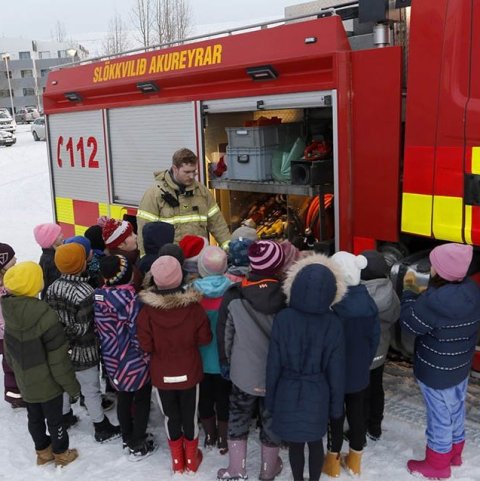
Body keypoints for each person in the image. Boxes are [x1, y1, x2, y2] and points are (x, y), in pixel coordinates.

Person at [400, 243, 480, 480]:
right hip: (460, 365)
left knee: (439, 418)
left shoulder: (433, 302)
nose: (431, 268)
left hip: (435, 370)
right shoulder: (473, 290)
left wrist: (409, 293)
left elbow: (409, 324)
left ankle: (437, 465)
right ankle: (455, 453)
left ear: (442, 271)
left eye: (434, 265)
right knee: (455, 408)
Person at [266, 254, 347, 481]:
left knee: (295, 443)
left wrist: (270, 400)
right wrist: (336, 408)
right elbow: (337, 371)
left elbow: (273, 363)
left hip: (287, 390)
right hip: (317, 392)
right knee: (315, 442)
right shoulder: (333, 323)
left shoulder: (283, 318)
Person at [217, 240, 286, 481]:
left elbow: (225, 334)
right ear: (278, 266)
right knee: (271, 420)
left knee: (238, 416)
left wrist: (225, 363)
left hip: (243, 374)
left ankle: (237, 469)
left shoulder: (234, 296)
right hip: (277, 375)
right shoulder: (287, 296)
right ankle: (268, 469)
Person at [137, 256, 212, 474]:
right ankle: (191, 459)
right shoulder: (194, 308)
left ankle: (177, 461)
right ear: (180, 277)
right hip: (189, 372)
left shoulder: (147, 312)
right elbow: (205, 338)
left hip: (163, 375)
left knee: (171, 416)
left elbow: (145, 345)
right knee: (190, 415)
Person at [2, 262, 80, 467]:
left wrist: (19, 374)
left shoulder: (8, 312)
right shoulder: (45, 315)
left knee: (34, 418)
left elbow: (9, 354)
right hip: (48, 385)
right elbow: (58, 359)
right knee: (55, 420)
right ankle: (61, 453)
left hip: (26, 382)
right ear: (34, 285)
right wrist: (72, 387)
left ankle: (42, 453)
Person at [45, 242, 121, 443]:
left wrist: (60, 337)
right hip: (84, 350)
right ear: (81, 264)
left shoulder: (52, 287)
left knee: (62, 384)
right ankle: (100, 426)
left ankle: (65, 416)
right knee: (91, 389)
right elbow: (83, 326)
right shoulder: (86, 291)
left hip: (58, 349)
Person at [323, 251, 379, 477]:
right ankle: (355, 459)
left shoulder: (332, 306)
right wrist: (365, 362)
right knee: (357, 413)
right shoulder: (369, 303)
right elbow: (374, 338)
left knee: (335, 415)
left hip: (334, 373)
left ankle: (332, 462)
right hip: (359, 371)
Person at [94, 255, 154, 461]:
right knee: (142, 398)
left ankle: (127, 435)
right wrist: (147, 357)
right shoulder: (131, 301)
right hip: (133, 360)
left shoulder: (99, 296)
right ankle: (138, 440)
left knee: (123, 397)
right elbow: (137, 334)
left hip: (111, 358)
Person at [136, 147, 231, 254]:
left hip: (198, 259)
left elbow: (217, 223)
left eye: (194, 171)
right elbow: (144, 231)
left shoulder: (202, 192)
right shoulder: (154, 194)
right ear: (175, 168)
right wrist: (146, 261)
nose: (191, 176)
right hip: (171, 261)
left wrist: (230, 249)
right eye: (187, 172)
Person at [192, 246, 232, 454]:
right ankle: (224, 439)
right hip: (225, 357)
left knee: (205, 398)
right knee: (224, 399)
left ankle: (209, 435)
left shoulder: (192, 292)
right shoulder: (233, 290)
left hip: (200, 358)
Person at [360, 250, 400, 441]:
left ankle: (356, 428)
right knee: (376, 388)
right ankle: (375, 427)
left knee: (358, 391)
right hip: (380, 350)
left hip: (359, 353)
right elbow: (394, 316)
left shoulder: (356, 294)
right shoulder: (390, 293)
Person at [0, 243, 25, 408]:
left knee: (13, 362)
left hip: (8, 331)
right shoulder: (5, 288)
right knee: (11, 364)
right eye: (12, 258)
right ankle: (14, 395)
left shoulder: (8, 282)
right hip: (5, 334)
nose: (16, 259)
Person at [102, 218, 143, 292]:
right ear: (120, 245)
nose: (135, 236)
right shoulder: (127, 269)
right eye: (130, 235)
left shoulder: (131, 259)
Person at [33, 223, 64, 299]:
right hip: (54, 300)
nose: (62, 235)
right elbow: (56, 283)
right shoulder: (51, 260)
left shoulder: (50, 255)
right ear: (51, 240)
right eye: (59, 234)